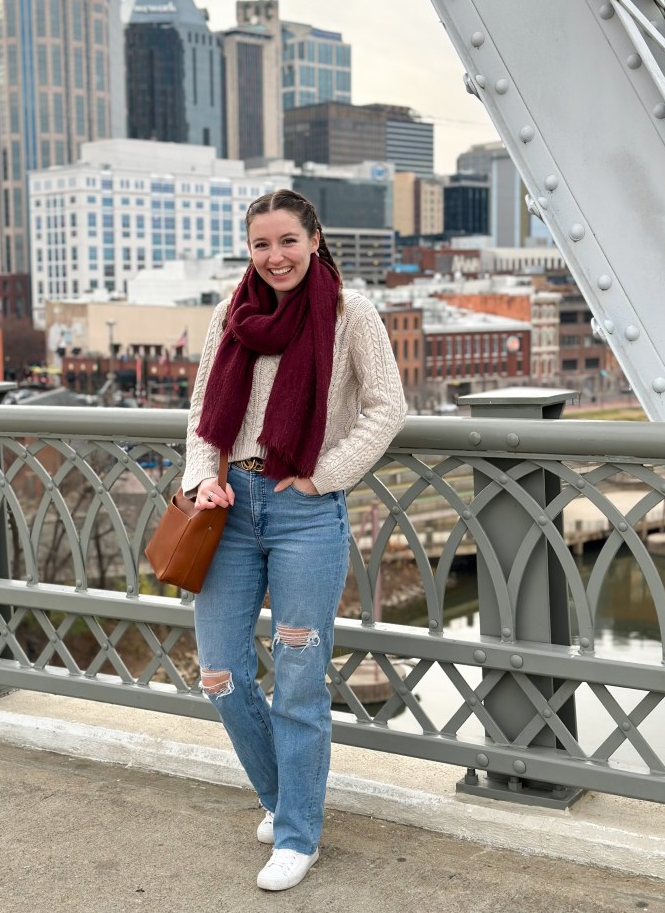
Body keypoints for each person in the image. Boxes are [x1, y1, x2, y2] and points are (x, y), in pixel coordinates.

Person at [183, 188, 407, 892]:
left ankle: (297, 835)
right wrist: (201, 477)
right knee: (220, 675)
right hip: (229, 508)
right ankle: (285, 800)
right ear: (248, 249)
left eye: (287, 241)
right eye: (261, 244)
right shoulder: (232, 312)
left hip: (304, 511)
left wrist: (325, 475)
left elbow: (387, 406)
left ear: (314, 239)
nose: (275, 257)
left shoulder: (349, 313)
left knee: (300, 678)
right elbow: (200, 412)